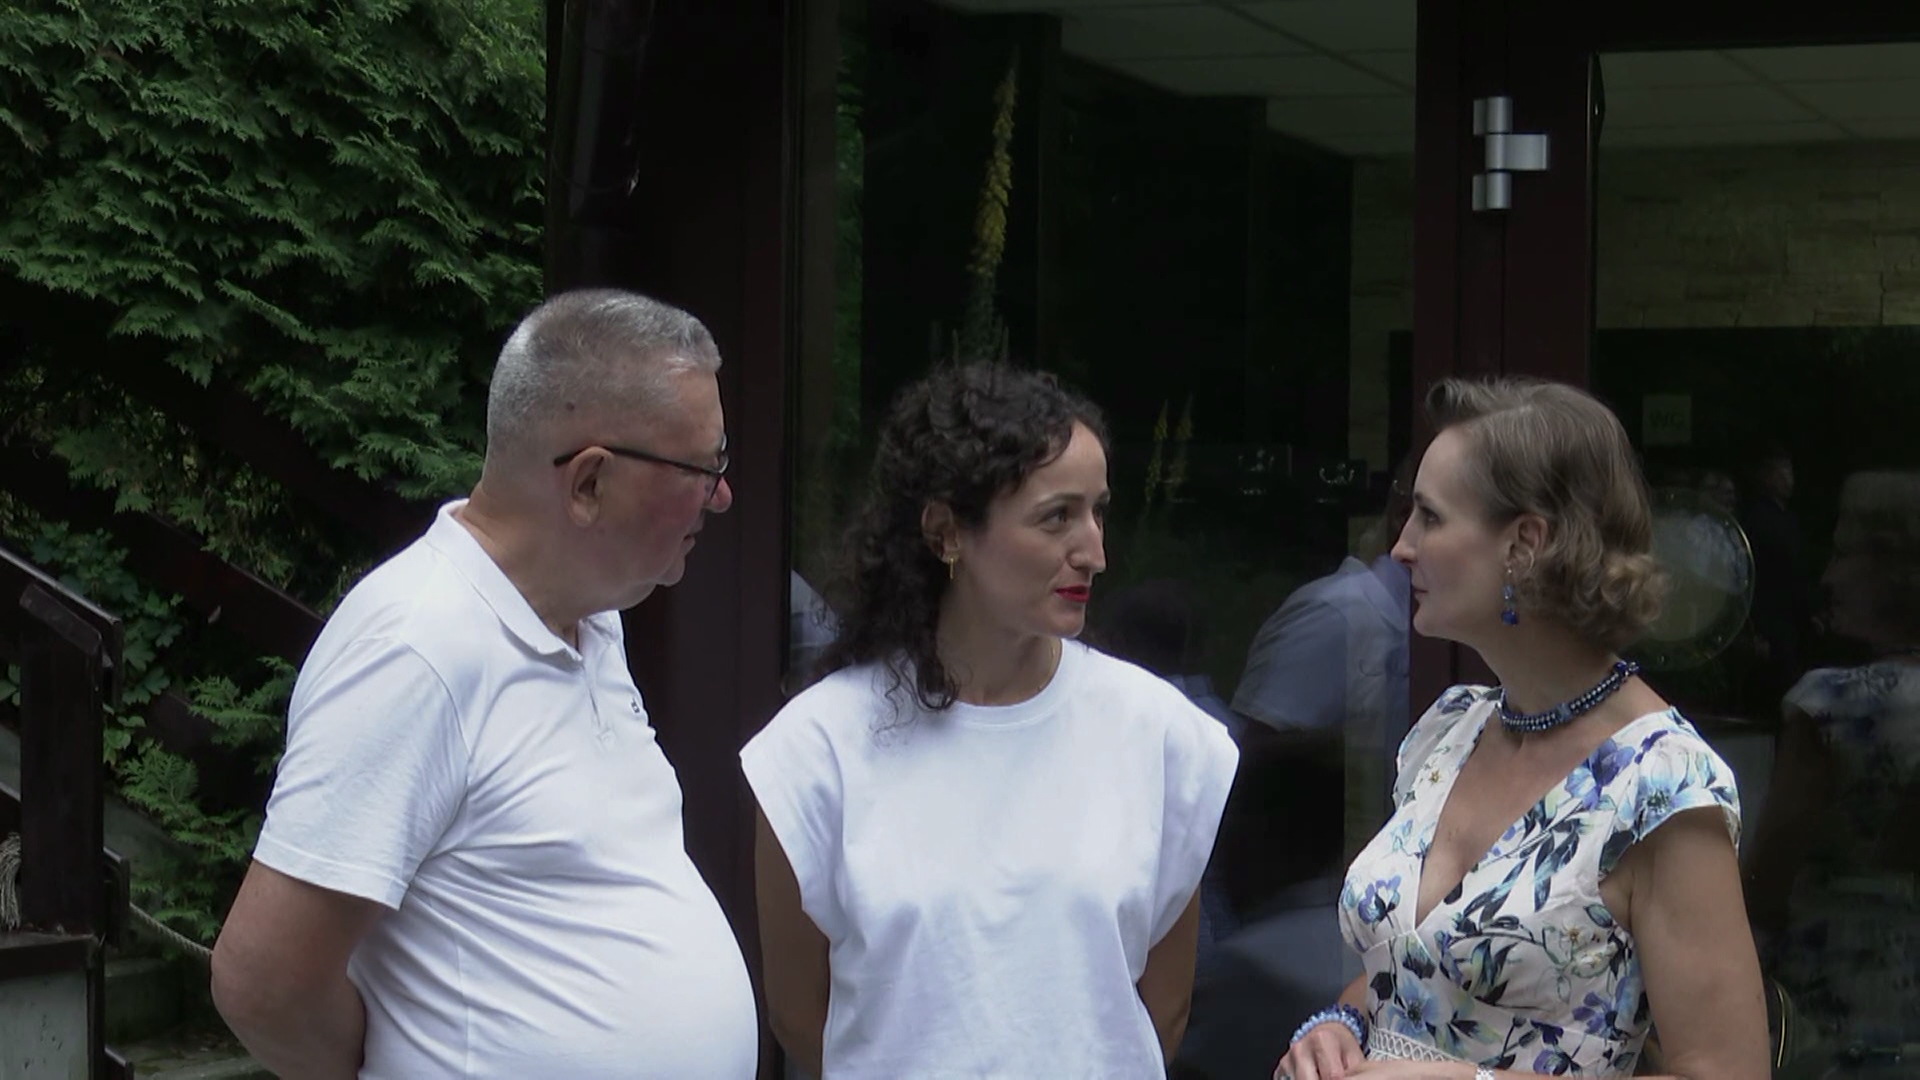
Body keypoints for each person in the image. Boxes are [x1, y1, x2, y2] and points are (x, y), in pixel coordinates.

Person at [209, 289, 757, 1079]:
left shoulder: (592, 619)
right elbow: (263, 984)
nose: (722, 495)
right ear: (589, 483)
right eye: (703, 468)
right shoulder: (415, 648)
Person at [742, 361, 1239, 1078]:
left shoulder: (1160, 734)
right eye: (1056, 516)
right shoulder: (818, 745)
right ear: (946, 532)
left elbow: (1161, 1010)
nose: (1094, 552)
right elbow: (798, 1013)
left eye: (1099, 512)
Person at [1276, 376, 1769, 1080]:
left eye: (1429, 516)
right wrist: (1340, 1022)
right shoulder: (1451, 729)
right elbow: (1416, 970)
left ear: (1525, 543)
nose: (1403, 546)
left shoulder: (1661, 786)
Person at [1746, 470, 1920, 1056]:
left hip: (1834, 1010)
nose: (1828, 577)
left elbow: (1767, 881)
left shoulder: (1835, 706)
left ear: (1896, 570)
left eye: (1846, 555)